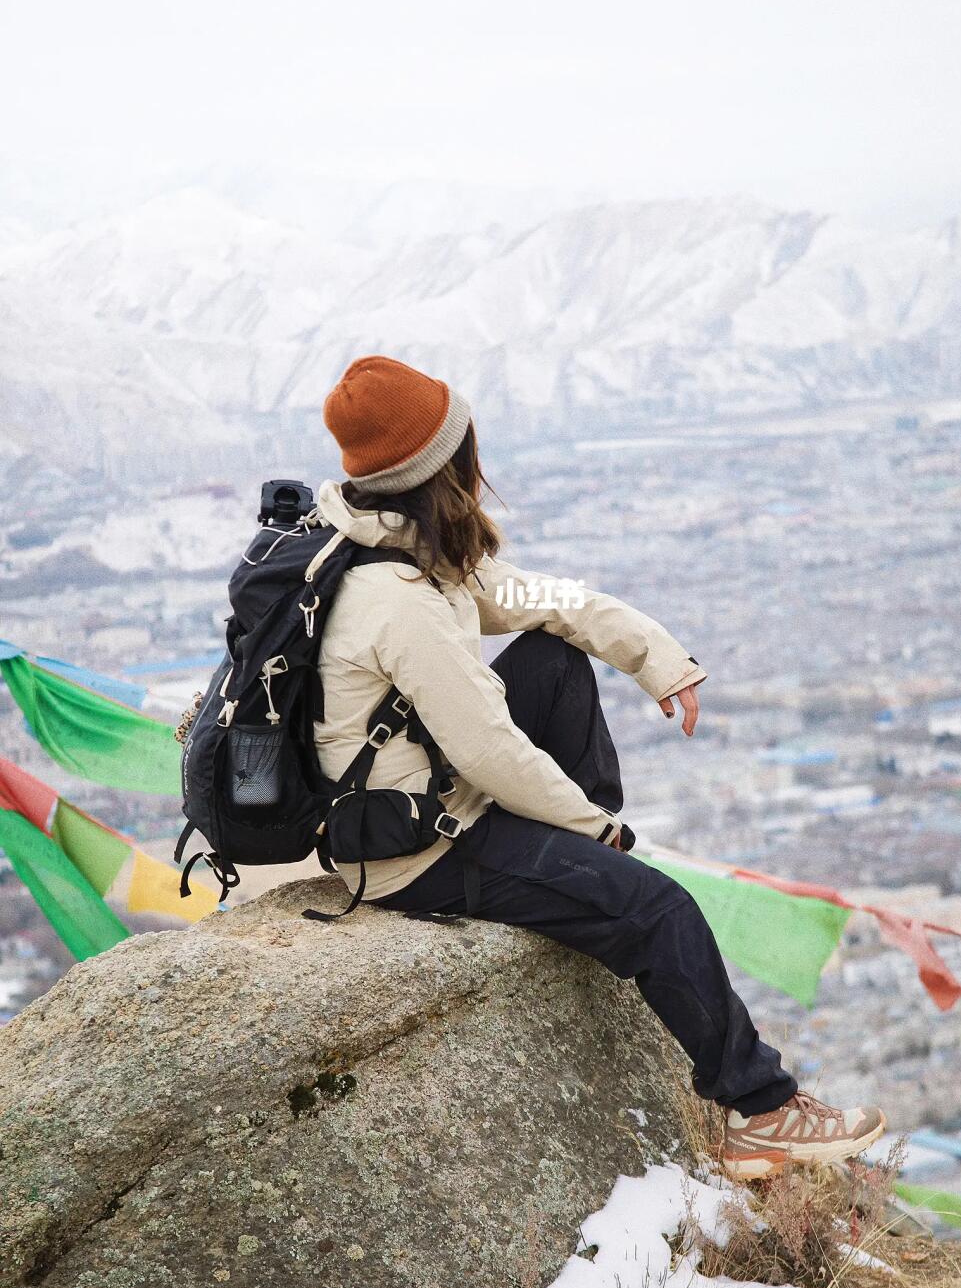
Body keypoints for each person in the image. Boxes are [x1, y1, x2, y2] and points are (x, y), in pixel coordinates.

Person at [314, 354, 885, 1178]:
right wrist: (599, 829)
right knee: (662, 910)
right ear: (438, 468)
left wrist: (657, 656)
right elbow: (488, 751)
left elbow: (547, 601)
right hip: (416, 851)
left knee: (555, 660)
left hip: (425, 790)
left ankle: (577, 879)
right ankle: (760, 1108)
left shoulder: (384, 544)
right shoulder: (400, 599)